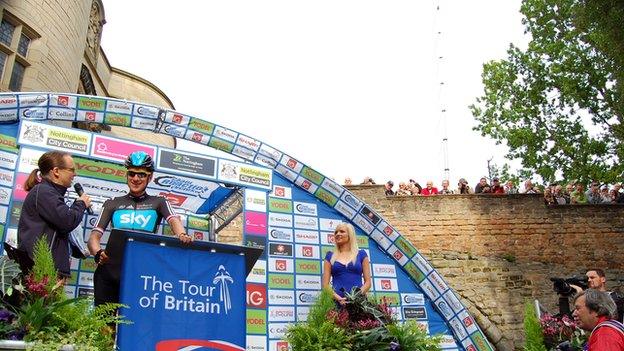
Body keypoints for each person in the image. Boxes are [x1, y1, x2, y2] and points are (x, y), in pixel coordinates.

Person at [88, 151, 193, 306]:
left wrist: (182, 234)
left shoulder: (159, 202)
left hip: (142, 273)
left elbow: (173, 220)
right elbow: (94, 237)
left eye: (141, 175)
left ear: (149, 177)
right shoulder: (111, 203)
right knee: (105, 325)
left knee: (134, 324)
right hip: (110, 272)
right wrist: (97, 252)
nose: (135, 179)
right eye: (131, 174)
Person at [17, 151, 91, 278]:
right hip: (41, 270)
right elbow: (66, 221)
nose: (75, 174)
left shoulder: (50, 193)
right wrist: (80, 204)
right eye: (71, 170)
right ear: (56, 171)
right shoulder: (44, 191)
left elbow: (58, 231)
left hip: (48, 269)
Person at [322, 223, 371, 305]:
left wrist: (355, 297)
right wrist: (339, 299)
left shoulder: (362, 254)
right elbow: (325, 285)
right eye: (336, 232)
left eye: (342, 231)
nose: (338, 234)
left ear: (350, 235)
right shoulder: (329, 256)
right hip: (336, 304)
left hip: (358, 303)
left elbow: (368, 283)